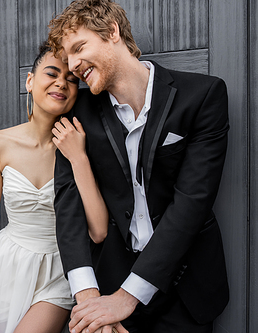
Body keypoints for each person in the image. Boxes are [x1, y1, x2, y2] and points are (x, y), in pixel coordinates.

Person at [48, 1, 230, 332]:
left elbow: (191, 204)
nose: (72, 65)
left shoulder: (203, 96)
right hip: (110, 281)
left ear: (112, 32)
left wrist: (127, 297)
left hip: (186, 287)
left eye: (79, 48)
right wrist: (89, 302)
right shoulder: (76, 116)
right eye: (66, 58)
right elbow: (68, 211)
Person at [0, 42, 109, 333]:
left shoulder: (81, 146)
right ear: (30, 81)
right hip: (7, 263)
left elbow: (98, 231)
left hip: (59, 269)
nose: (62, 82)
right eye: (52, 73)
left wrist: (79, 157)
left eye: (72, 80)